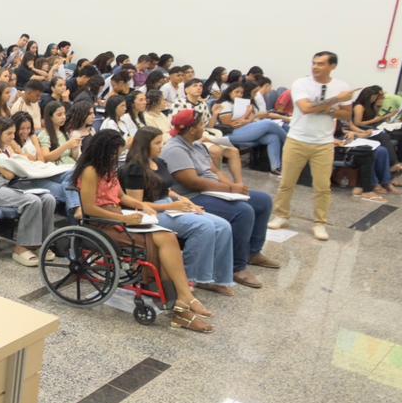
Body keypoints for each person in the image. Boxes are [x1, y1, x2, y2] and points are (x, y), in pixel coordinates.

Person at [73, 130, 215, 333]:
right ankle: (181, 305)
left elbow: (121, 196)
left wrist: (141, 206)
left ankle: (183, 298)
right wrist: (123, 218)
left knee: (167, 237)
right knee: (160, 244)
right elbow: (89, 209)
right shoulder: (89, 172)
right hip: (100, 222)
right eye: (115, 153)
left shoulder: (109, 169)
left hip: (118, 216)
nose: (117, 157)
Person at [161, 110, 279, 288]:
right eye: (201, 125)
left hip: (214, 191)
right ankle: (236, 267)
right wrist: (230, 188)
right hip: (193, 196)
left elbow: (215, 171)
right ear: (192, 129)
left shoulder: (197, 145)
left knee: (263, 201)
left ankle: (253, 252)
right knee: (242, 211)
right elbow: (192, 182)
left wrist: (234, 190)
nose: (204, 128)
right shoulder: (175, 149)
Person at [121, 127, 236, 296]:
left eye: (162, 142)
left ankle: (215, 278)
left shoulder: (159, 162)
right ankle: (189, 277)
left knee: (223, 225)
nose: (162, 146)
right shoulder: (134, 169)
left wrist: (183, 200)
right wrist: (170, 207)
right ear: (145, 145)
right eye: (157, 143)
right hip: (152, 213)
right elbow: (136, 203)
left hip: (169, 205)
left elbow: (165, 188)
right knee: (203, 227)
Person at [269, 52, 352, 241]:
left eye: (321, 64)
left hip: (323, 143)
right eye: (314, 63)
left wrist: (327, 108)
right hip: (297, 139)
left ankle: (320, 223)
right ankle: (281, 215)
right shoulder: (301, 83)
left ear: (332, 66)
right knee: (286, 182)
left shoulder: (342, 86)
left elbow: (347, 114)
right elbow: (305, 109)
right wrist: (334, 101)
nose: (315, 67)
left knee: (322, 186)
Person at [0, 118, 58, 266]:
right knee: (32, 201)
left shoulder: (6, 148)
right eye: (9, 133)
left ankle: (42, 243)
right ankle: (21, 248)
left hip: (10, 185)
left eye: (13, 133)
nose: (12, 137)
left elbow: (13, 170)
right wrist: (19, 167)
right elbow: (8, 174)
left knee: (48, 198)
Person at [213, 82, 287, 174]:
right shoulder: (225, 104)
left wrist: (247, 118)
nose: (239, 95)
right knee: (268, 123)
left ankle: (276, 167)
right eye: (237, 92)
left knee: (273, 137)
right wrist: (247, 117)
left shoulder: (240, 104)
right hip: (229, 133)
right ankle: (288, 142)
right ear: (229, 93)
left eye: (241, 93)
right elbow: (231, 124)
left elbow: (245, 121)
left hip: (243, 131)